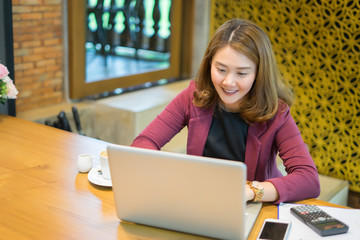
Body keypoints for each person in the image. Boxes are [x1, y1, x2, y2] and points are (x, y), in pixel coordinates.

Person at [131, 18, 320, 204]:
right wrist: (168, 176)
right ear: (209, 64)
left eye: (242, 73)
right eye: (221, 69)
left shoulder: (276, 113)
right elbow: (144, 142)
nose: (228, 82)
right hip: (200, 200)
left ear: (258, 74)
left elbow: (308, 179)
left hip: (251, 205)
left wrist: (251, 192)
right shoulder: (193, 96)